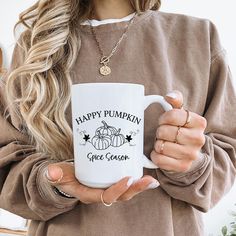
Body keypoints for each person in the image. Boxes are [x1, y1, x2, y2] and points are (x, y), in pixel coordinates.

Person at [0, 0, 235, 235]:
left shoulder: (197, 38)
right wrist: (53, 183)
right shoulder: (35, 46)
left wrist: (189, 164)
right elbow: (7, 165)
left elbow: (228, 156)